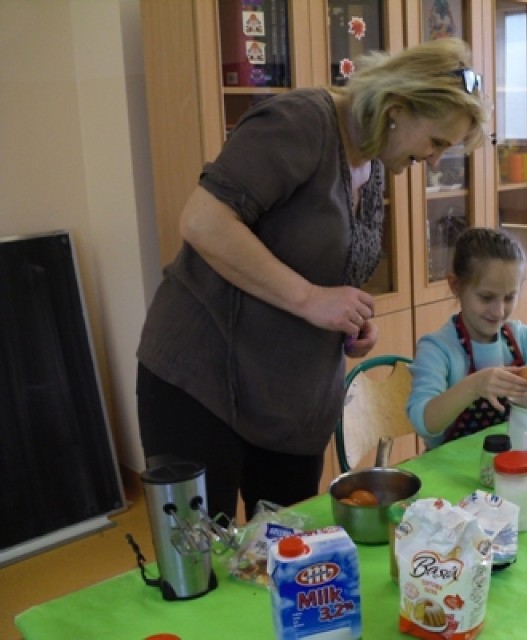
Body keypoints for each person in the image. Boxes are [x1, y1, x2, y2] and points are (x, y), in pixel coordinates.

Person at [136, 37, 489, 521]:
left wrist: (347, 317)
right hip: (202, 380)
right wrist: (309, 300)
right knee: (202, 562)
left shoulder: (373, 156)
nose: (432, 162)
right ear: (397, 107)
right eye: (436, 144)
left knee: (283, 555)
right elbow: (202, 221)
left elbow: (323, 263)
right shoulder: (300, 123)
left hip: (289, 399)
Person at [406, 228, 527, 450]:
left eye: (509, 297)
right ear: (456, 286)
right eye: (486, 297)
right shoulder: (437, 348)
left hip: (513, 464)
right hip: (449, 473)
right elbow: (423, 421)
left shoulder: (519, 339)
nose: (499, 311)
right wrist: (474, 387)